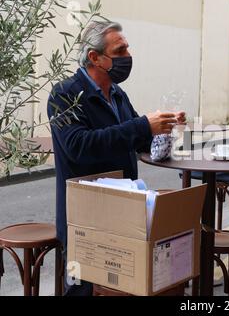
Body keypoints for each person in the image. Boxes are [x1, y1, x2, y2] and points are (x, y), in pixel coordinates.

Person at [47, 21, 185, 295]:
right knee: (80, 288)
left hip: (123, 213)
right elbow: (79, 145)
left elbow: (139, 139)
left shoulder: (118, 95)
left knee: (119, 287)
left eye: (127, 48)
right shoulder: (64, 94)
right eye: (120, 50)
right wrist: (143, 126)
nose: (128, 55)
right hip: (83, 218)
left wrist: (166, 127)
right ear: (94, 57)